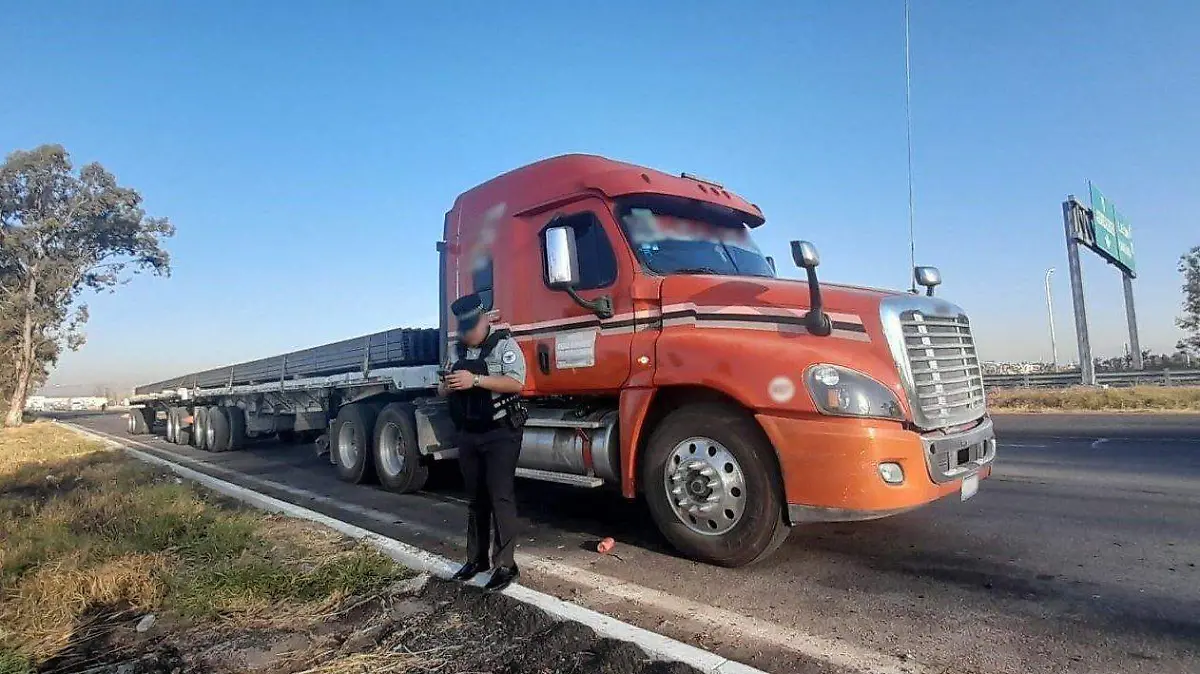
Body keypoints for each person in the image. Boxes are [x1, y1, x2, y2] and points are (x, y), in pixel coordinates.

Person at [441, 292, 527, 592]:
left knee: (499, 495)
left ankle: (506, 565)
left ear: (484, 321)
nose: (467, 336)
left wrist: (475, 380)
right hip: (469, 431)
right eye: (462, 331)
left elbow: (516, 382)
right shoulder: (455, 350)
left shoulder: (504, 345)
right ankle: (476, 559)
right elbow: (442, 389)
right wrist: (448, 385)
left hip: (500, 431)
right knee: (476, 498)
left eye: (471, 330)